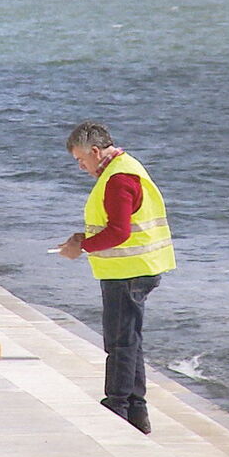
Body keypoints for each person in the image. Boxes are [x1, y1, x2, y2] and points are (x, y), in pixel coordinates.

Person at [58, 121, 176, 435]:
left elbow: (119, 232)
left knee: (121, 342)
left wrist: (81, 247)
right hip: (139, 267)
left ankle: (118, 405)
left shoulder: (118, 178)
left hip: (128, 271)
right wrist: (83, 238)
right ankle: (136, 410)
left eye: (81, 161)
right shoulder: (126, 167)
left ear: (95, 152)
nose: (81, 167)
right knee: (130, 341)